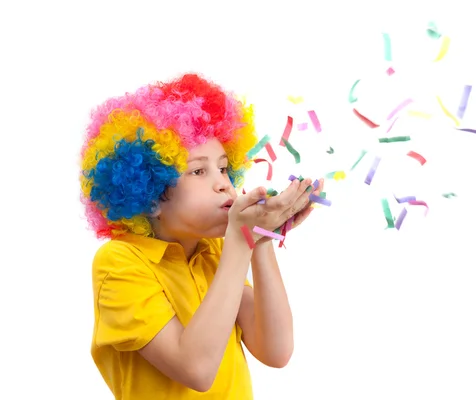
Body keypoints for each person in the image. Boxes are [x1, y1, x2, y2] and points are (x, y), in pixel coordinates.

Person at [79, 73, 324, 399]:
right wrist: (240, 242)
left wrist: (261, 238)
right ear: (151, 196)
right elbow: (196, 369)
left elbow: (276, 351)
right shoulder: (119, 262)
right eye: (198, 171)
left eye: (223, 168)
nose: (223, 183)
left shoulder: (217, 251)